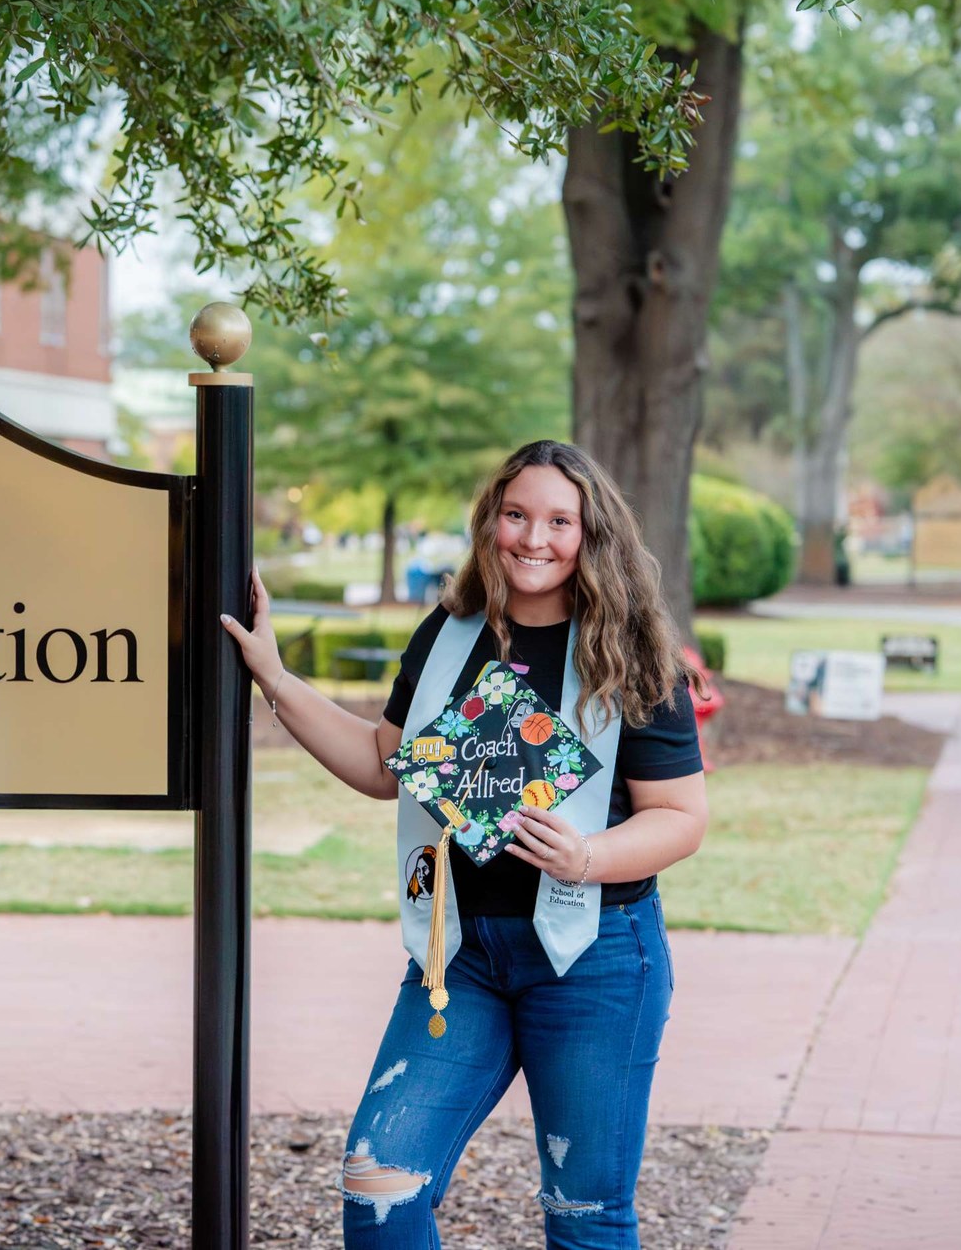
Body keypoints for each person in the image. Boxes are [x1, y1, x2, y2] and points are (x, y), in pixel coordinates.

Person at [221, 439, 708, 1249]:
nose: (534, 538)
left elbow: (681, 816)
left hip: (594, 958)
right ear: (490, 522)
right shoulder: (450, 634)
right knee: (379, 1181)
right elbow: (383, 762)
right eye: (516, 514)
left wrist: (585, 857)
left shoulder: (630, 650)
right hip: (459, 960)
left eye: (559, 521)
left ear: (593, 532)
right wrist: (274, 676)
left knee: (585, 1216)